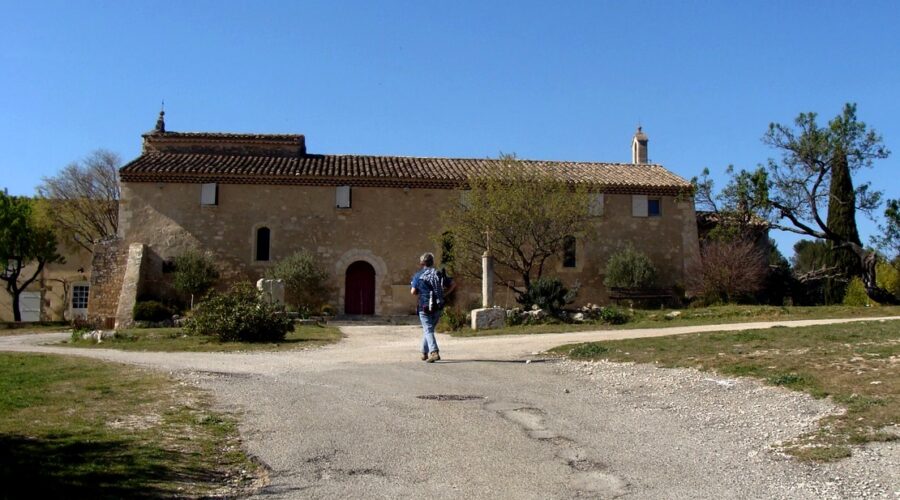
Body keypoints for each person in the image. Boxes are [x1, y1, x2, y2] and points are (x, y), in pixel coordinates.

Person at [410, 252, 456, 362]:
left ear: (422, 263)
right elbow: (453, 284)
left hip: (424, 306)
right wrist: (444, 294)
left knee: (428, 329)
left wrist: (420, 291)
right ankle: (424, 352)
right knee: (429, 330)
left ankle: (434, 352)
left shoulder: (418, 275)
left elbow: (413, 292)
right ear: (432, 262)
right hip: (438, 306)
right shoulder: (439, 273)